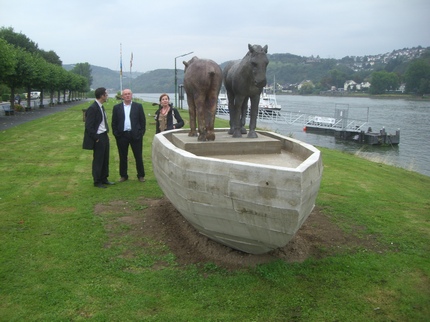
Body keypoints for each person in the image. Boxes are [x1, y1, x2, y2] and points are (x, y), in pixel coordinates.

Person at [111, 89, 146, 182]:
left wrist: (141, 133)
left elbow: (142, 121)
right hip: (122, 135)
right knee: (122, 156)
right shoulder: (116, 108)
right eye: (125, 94)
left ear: (132, 95)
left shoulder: (138, 106)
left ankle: (141, 175)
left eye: (129, 94)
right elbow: (114, 122)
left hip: (135, 135)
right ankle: (123, 175)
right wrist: (116, 134)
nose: (127, 96)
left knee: (138, 156)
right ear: (122, 96)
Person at [82, 87, 114, 188]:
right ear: (102, 96)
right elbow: (89, 126)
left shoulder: (101, 106)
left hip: (104, 135)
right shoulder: (93, 108)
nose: (107, 96)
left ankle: (104, 178)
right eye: (106, 94)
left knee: (105, 158)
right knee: (98, 160)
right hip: (98, 137)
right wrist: (96, 138)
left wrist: (105, 135)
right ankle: (97, 181)